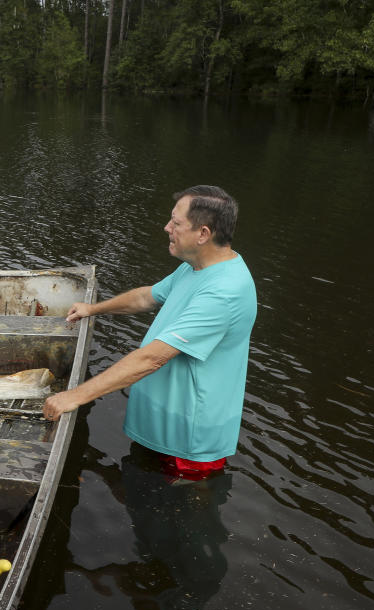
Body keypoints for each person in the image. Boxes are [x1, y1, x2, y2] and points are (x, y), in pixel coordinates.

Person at [43, 185, 257, 479]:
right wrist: (93, 309)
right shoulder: (197, 265)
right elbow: (146, 297)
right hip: (163, 424)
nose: (166, 227)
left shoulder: (224, 292)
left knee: (177, 513)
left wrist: (74, 397)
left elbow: (152, 359)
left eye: (176, 223)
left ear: (203, 234)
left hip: (187, 441)